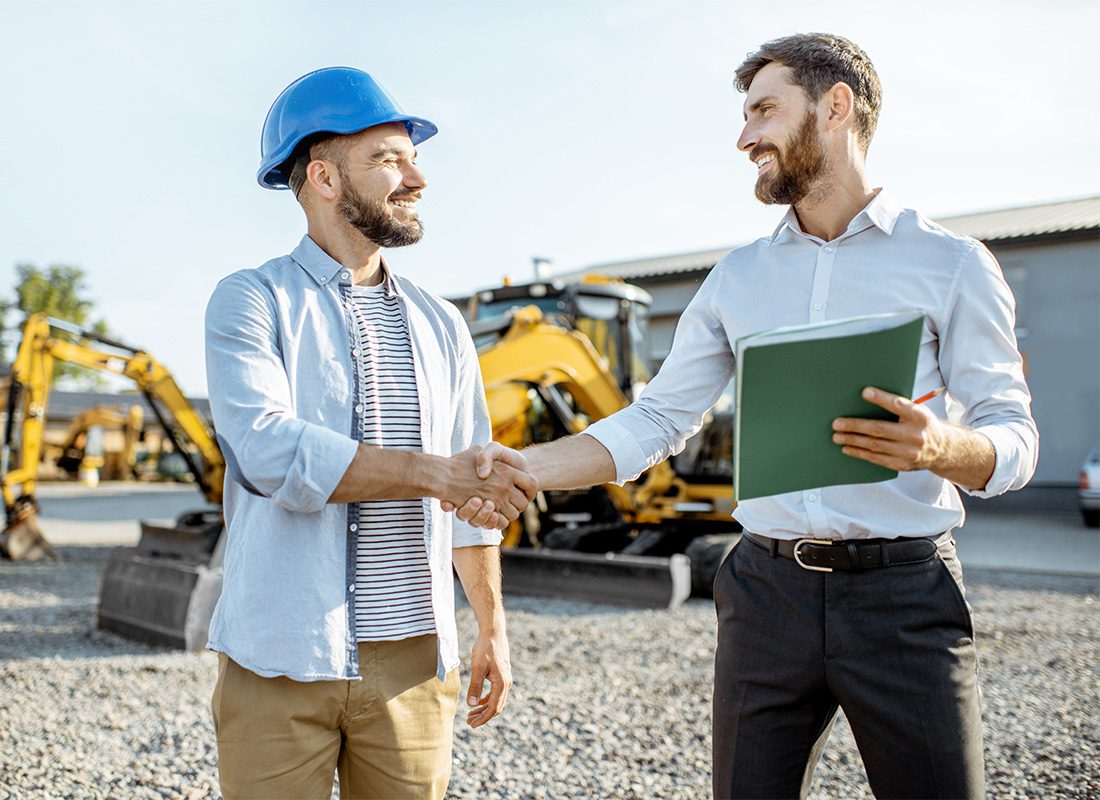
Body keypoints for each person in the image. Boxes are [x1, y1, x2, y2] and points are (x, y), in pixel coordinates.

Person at [451, 33, 1038, 800]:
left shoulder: (953, 264)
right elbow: (657, 418)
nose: (745, 137)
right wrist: (527, 466)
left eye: (764, 110)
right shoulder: (739, 277)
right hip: (767, 594)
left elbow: (1014, 435)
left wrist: (943, 447)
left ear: (836, 107)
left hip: (904, 595)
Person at [204, 67, 536, 800]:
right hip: (279, 659)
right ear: (323, 177)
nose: (416, 176)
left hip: (413, 667)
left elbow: (472, 485)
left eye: (413, 157)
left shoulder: (442, 323)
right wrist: (434, 475)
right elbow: (267, 450)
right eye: (389, 157)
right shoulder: (251, 301)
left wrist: (492, 626)